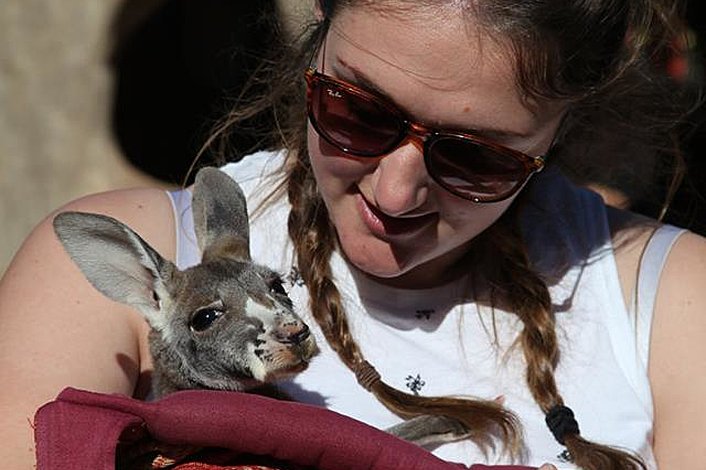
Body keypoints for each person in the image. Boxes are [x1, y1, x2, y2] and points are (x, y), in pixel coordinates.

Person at [0, 0, 704, 469]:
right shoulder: (127, 278)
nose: (395, 193)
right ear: (317, 36)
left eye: (476, 156)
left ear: (564, 129)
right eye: (357, 110)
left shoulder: (671, 300)